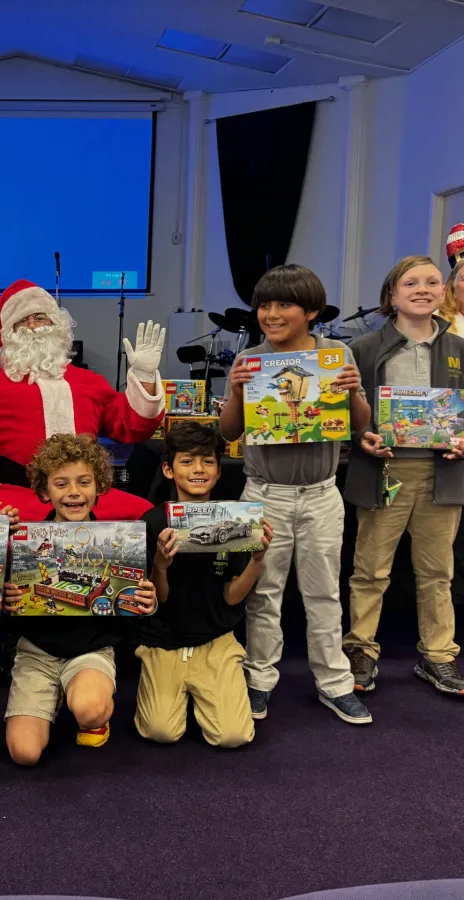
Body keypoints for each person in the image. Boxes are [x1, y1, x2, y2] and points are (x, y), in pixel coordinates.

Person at [218, 264, 373, 725]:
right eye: (264, 305)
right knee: (263, 593)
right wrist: (235, 392)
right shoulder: (250, 359)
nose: (270, 314)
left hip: (321, 493)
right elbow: (229, 431)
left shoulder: (336, 354)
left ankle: (334, 682)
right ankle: (259, 678)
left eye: (283, 304)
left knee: (324, 593)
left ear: (311, 311)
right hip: (265, 493)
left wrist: (353, 394)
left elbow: (360, 424)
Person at [0, 279, 165, 520]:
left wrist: (145, 376)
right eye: (22, 321)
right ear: (9, 334)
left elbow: (132, 427)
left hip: (85, 495)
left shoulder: (90, 382)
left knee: (144, 519)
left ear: (56, 325)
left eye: (40, 317)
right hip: (15, 491)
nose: (32, 325)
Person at [343, 256, 464, 695]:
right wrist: (363, 437)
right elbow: (343, 414)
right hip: (384, 472)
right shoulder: (362, 349)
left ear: (443, 292)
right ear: (392, 295)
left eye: (432, 282)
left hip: (442, 474)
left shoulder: (459, 348)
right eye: (411, 283)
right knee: (370, 570)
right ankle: (360, 648)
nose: (422, 289)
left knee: (437, 572)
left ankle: (439, 655)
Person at [2, 433, 157, 766]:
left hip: (90, 650)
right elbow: (7, 607)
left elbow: (135, 605)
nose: (73, 492)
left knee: (89, 710)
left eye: (84, 482)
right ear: (45, 491)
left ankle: (91, 711)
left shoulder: (118, 543)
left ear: (99, 487)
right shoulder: (28, 541)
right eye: (61, 484)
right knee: (25, 753)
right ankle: (55, 695)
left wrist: (147, 600)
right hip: (37, 652)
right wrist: (7, 600)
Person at [137, 421, 273, 748]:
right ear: (169, 470)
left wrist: (257, 561)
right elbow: (159, 599)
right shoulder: (153, 521)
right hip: (164, 640)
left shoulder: (236, 521)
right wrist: (160, 565)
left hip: (216, 639)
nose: (198, 469)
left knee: (233, 736)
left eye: (208, 461)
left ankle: (211, 686)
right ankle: (173, 687)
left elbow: (232, 597)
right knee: (161, 731)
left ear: (219, 471)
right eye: (187, 461)